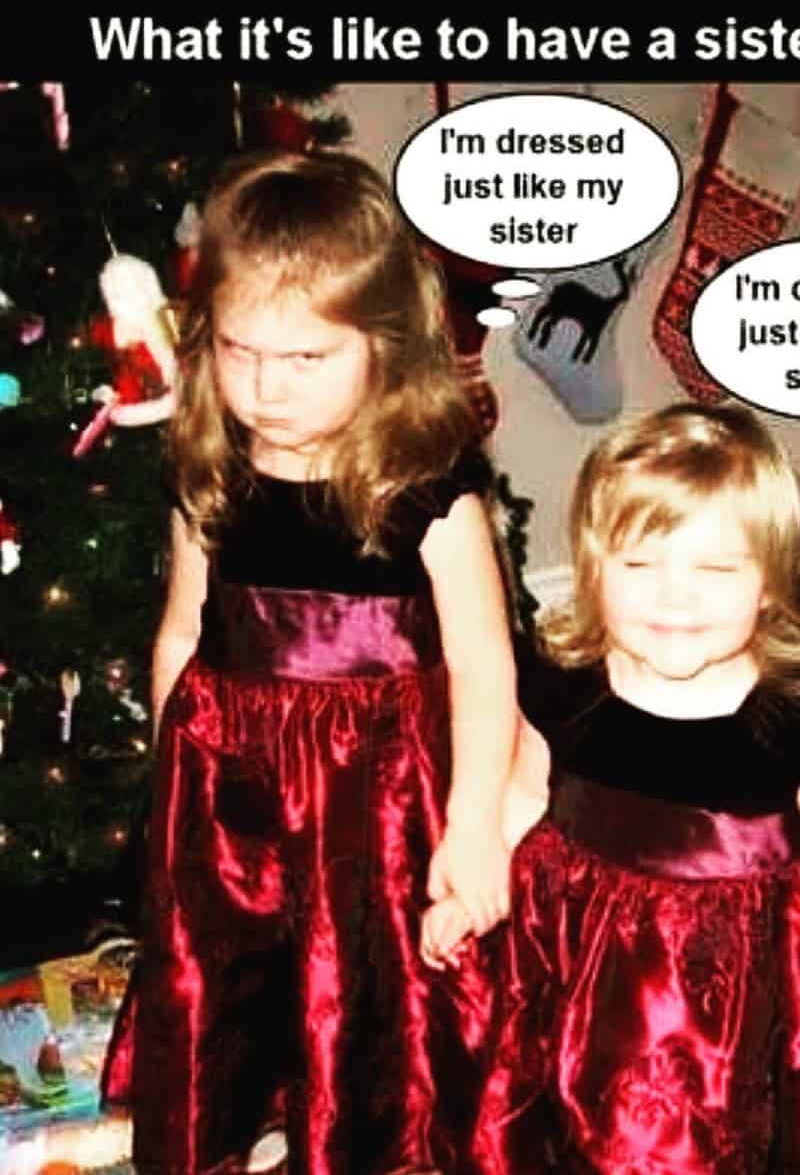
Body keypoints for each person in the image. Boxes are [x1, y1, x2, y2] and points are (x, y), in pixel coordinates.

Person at [100, 149, 518, 1175]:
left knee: (361, 991)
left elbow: (484, 666)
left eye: (305, 359)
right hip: (230, 791)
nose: (265, 388)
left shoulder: (428, 494)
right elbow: (182, 632)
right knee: (231, 982)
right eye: (239, 352)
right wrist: (172, 788)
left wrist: (475, 829)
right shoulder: (210, 473)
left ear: (384, 347)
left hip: (374, 801)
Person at [423, 404, 800, 1173]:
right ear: (593, 569)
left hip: (737, 1008)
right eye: (639, 566)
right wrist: (475, 892)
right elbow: (524, 800)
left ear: (770, 584)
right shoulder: (565, 692)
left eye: (715, 571)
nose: (674, 599)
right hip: (578, 972)